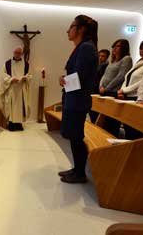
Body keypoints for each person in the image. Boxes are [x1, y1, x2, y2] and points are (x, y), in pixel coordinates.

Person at [58, 15, 98, 183]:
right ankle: (77, 169)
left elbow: (79, 77)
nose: (68, 30)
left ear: (81, 28)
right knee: (74, 137)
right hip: (73, 98)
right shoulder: (81, 47)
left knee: (76, 137)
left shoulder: (86, 48)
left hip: (78, 100)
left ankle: (80, 173)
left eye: (72, 26)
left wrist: (64, 80)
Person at [117, 38, 143, 140]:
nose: (142, 51)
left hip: (136, 97)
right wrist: (122, 90)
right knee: (127, 125)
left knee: (134, 128)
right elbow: (127, 77)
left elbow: (142, 81)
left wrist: (124, 90)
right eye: (141, 48)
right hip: (127, 96)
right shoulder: (139, 62)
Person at [2, 47, 31, 131]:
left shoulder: (26, 64)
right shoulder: (7, 63)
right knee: (12, 106)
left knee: (20, 106)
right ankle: (11, 124)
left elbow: (29, 74)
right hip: (11, 88)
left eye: (19, 53)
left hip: (21, 88)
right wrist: (11, 79)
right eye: (16, 52)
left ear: (21, 54)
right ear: (13, 53)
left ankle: (19, 124)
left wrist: (26, 78)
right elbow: (4, 75)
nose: (17, 54)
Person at [89, 49, 110, 123]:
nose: (100, 58)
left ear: (107, 57)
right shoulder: (96, 65)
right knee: (91, 110)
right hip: (92, 89)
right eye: (99, 56)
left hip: (99, 91)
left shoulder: (107, 66)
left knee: (96, 113)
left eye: (103, 56)